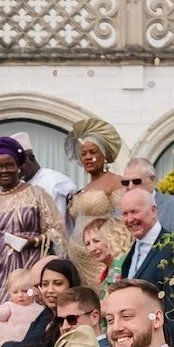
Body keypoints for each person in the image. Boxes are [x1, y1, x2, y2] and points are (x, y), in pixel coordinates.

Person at [0, 137, 65, 313]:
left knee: (34, 320)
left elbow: (58, 230)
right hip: (0, 274)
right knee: (5, 321)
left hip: (32, 267)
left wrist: (34, 241)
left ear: (18, 166)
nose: (4, 170)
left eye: (9, 165)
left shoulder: (36, 194)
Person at [111, 185, 174, 347]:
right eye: (125, 213)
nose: (129, 219)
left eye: (135, 212)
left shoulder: (173, 249)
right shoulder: (130, 255)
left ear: (153, 211)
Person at [62, 116, 126, 285]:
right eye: (83, 154)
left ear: (104, 154)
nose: (88, 157)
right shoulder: (83, 189)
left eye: (93, 152)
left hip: (100, 258)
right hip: (77, 261)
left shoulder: (115, 181)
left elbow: (123, 222)